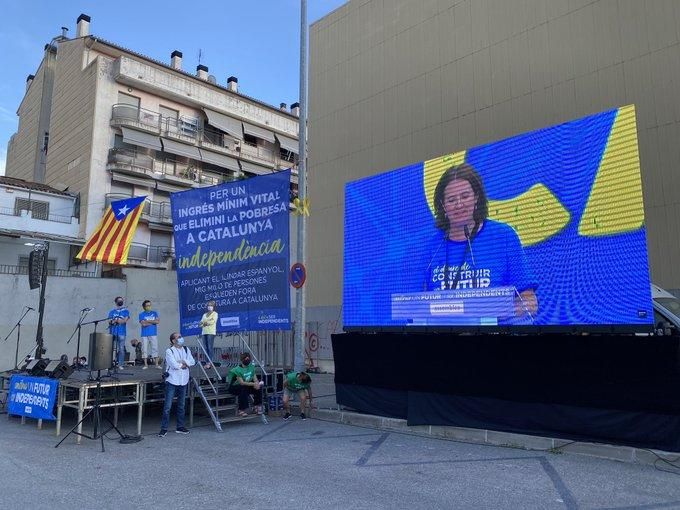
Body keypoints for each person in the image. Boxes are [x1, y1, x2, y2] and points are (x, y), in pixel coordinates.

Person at [427, 164, 538, 318]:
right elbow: (415, 304)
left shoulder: (503, 236)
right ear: (443, 206)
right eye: (451, 200)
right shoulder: (432, 246)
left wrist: (490, 314)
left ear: (477, 197)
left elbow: (529, 302)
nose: (459, 204)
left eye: (465, 196)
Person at [159, 332, 195, 437]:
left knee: (181, 405)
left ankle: (180, 427)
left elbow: (192, 361)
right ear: (173, 340)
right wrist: (184, 364)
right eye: (178, 337)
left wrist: (183, 362)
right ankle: (164, 428)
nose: (181, 338)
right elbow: (174, 365)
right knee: (167, 407)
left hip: (183, 380)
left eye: (181, 336)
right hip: (172, 380)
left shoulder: (186, 349)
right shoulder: (169, 351)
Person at [227, 352, 264, 417]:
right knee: (243, 388)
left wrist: (257, 384)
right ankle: (241, 409)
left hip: (246, 385)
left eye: (248, 359)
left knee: (258, 387)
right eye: (246, 359)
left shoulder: (251, 367)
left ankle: (257, 406)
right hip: (234, 387)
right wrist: (254, 384)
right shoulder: (237, 370)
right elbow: (242, 382)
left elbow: (255, 378)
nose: (247, 361)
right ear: (242, 360)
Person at [108, 296, 130, 368]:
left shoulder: (126, 311)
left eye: (122, 300)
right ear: (116, 302)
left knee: (121, 349)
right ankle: (109, 364)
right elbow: (109, 321)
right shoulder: (112, 312)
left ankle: (120, 364)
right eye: (119, 300)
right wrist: (116, 321)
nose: (121, 301)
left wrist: (116, 320)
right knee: (110, 349)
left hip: (122, 333)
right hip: (112, 332)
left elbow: (124, 321)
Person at [138, 300, 161, 370]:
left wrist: (147, 321)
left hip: (153, 333)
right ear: (144, 307)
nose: (149, 306)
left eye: (150, 305)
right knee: (144, 349)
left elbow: (157, 321)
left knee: (155, 348)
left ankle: (157, 365)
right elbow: (143, 324)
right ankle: (145, 365)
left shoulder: (154, 313)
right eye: (147, 305)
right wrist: (153, 322)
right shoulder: (141, 314)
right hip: (144, 334)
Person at [199, 300, 218, 369]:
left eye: (211, 305)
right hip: (204, 332)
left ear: (213, 307)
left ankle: (210, 362)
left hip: (211, 332)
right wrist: (205, 323)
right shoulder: (204, 315)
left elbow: (213, 322)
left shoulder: (215, 314)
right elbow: (200, 324)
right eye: (209, 305)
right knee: (205, 348)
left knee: (210, 347)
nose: (209, 307)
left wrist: (205, 323)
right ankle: (207, 362)